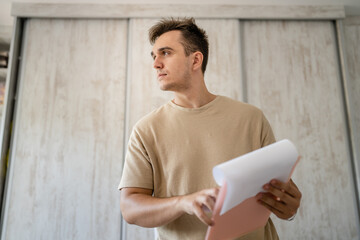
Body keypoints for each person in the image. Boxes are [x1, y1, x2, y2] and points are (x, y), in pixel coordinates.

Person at [119, 17, 302, 240]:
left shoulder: (251, 118)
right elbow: (129, 208)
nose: (155, 63)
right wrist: (183, 202)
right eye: (154, 56)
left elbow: (281, 197)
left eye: (165, 53)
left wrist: (289, 208)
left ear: (195, 60)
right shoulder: (145, 130)